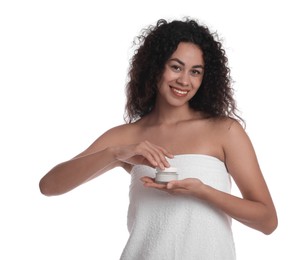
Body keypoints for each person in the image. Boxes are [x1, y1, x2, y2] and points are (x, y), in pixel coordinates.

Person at [39, 17, 278, 260]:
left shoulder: (224, 131)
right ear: (155, 67)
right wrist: (113, 153)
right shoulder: (127, 137)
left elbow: (267, 220)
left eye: (195, 72)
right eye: (176, 67)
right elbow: (49, 186)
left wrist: (202, 191)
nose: (184, 80)